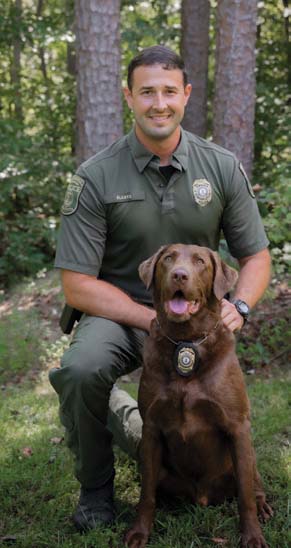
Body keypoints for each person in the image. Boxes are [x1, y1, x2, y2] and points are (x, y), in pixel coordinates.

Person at [49, 45, 271, 532]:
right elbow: (76, 284)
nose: (159, 103)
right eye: (146, 91)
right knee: (82, 369)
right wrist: (148, 317)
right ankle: (95, 493)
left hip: (197, 322)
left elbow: (255, 256)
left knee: (191, 412)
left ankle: (135, 423)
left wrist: (240, 304)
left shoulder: (219, 166)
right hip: (125, 315)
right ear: (128, 97)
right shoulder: (96, 176)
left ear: (186, 95)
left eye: (169, 91)